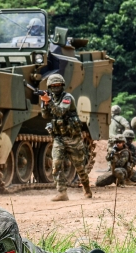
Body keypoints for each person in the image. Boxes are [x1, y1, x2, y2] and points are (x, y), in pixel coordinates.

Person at [41, 73, 92, 201]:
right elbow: (45, 115)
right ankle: (62, 192)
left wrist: (49, 101)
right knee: (56, 164)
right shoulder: (50, 98)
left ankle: (86, 188)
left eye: (58, 85)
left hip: (73, 138)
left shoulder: (67, 97)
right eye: (53, 85)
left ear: (62, 85)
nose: (56, 87)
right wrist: (45, 103)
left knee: (79, 166)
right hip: (59, 137)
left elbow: (60, 111)